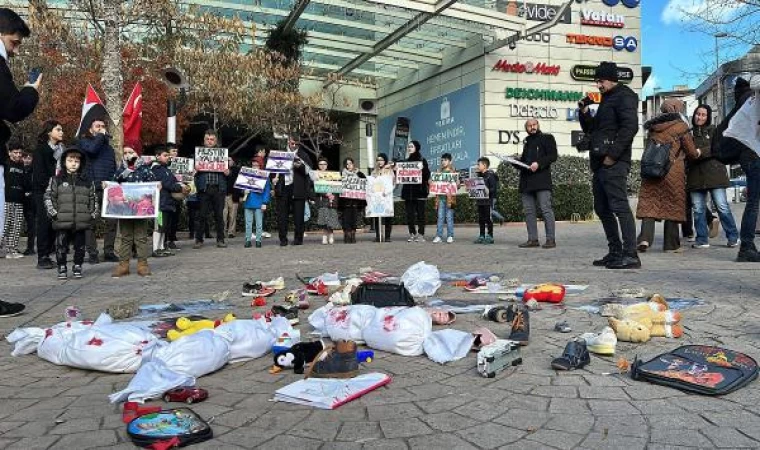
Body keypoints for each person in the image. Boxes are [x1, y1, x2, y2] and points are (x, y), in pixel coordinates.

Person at [579, 61, 641, 269]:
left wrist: (613, 156)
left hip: (614, 163)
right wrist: (585, 113)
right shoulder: (607, 99)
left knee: (619, 206)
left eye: (601, 81)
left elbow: (630, 127)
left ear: (612, 79)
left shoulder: (624, 96)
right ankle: (615, 252)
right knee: (602, 208)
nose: (598, 85)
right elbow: (594, 131)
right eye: (597, 81)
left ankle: (630, 254)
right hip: (600, 163)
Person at [636, 99, 701, 253]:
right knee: (672, 205)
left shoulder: (653, 127)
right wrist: (698, 152)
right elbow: (691, 152)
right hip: (673, 171)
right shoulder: (681, 127)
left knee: (649, 203)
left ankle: (644, 238)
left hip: (652, 170)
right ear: (678, 109)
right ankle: (671, 245)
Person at [717, 76, 759, 262]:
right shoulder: (751, 97)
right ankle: (746, 246)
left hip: (749, 155)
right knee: (753, 202)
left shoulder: (745, 100)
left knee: (753, 202)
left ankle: (747, 246)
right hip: (753, 155)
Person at [687, 104, 738, 249]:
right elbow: (686, 152)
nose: (700, 117)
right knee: (698, 209)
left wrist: (699, 152)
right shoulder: (689, 133)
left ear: (708, 117)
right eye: (698, 114)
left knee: (722, 207)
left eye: (703, 115)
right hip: (695, 176)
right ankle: (702, 239)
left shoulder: (715, 131)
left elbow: (717, 148)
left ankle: (733, 237)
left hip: (715, 174)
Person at [44, 146, 98, 280]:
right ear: (64, 162)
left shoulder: (87, 181)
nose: (73, 163)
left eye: (76, 161)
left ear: (81, 163)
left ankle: (78, 266)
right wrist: (53, 213)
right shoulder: (56, 179)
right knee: (61, 246)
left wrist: (92, 213)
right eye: (70, 160)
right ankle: (62, 267)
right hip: (62, 219)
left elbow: (93, 198)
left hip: (81, 220)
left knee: (80, 247)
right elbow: (49, 197)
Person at [111, 144, 156, 278]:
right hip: (125, 209)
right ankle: (123, 264)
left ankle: (143, 264)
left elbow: (153, 183)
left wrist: (157, 186)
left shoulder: (145, 170)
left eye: (131, 152)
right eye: (125, 153)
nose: (128, 155)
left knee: (141, 237)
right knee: (125, 237)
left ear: (137, 154)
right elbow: (114, 183)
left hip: (141, 210)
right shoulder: (120, 170)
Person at [78, 117, 118, 263]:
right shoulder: (84, 142)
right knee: (91, 222)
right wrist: (101, 135)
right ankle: (92, 253)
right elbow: (92, 150)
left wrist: (114, 183)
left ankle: (109, 251)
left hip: (109, 189)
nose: (101, 128)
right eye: (97, 126)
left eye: (102, 126)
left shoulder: (109, 149)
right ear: (90, 129)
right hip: (92, 188)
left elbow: (113, 168)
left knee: (112, 222)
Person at [517, 119, 558, 249]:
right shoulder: (527, 142)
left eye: (534, 125)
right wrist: (514, 162)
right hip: (526, 182)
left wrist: (539, 163)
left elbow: (553, 156)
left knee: (546, 209)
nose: (532, 127)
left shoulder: (547, 138)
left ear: (538, 125)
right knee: (529, 211)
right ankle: (532, 239)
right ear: (526, 128)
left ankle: (551, 239)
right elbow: (524, 162)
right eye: (529, 126)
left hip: (542, 180)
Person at [32, 120, 61, 269]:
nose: (61, 132)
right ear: (49, 132)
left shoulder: (61, 150)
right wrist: (50, 186)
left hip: (56, 192)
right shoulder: (41, 150)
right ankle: (42, 256)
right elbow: (39, 174)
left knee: (52, 224)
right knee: (43, 223)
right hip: (43, 191)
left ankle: (48, 253)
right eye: (58, 129)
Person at [193, 130, 230, 248]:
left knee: (219, 215)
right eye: (207, 139)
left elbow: (230, 172)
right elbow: (189, 173)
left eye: (212, 139)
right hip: (204, 189)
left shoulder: (222, 154)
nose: (209, 141)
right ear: (204, 140)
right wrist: (194, 169)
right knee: (201, 215)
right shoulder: (198, 155)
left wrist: (228, 171)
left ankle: (221, 240)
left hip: (219, 189)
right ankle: (199, 240)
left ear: (216, 141)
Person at [274, 137, 314, 246]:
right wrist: (274, 179)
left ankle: (298, 239)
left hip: (298, 188)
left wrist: (300, 166)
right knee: (282, 216)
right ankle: (283, 239)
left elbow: (310, 172)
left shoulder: (303, 155)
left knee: (299, 216)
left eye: (296, 142)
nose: (293, 144)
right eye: (291, 142)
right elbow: (272, 169)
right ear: (288, 142)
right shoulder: (280, 154)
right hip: (283, 188)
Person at [153, 145, 189, 257]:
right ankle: (156, 249)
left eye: (168, 155)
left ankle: (162, 247)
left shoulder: (165, 169)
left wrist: (184, 185)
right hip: (160, 203)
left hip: (167, 203)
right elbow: (167, 184)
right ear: (157, 156)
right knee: (159, 226)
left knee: (164, 227)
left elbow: (173, 182)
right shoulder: (156, 169)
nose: (168, 157)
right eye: (165, 155)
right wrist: (180, 188)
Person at [400, 140, 431, 242]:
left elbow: (427, 176)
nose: (409, 148)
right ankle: (412, 233)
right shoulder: (405, 162)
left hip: (420, 192)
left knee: (421, 214)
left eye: (411, 146)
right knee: (410, 215)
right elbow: (400, 176)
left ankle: (421, 234)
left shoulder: (422, 160)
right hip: (408, 193)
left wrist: (423, 169)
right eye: (408, 147)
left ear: (416, 148)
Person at [1, 142, 28, 258]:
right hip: (7, 199)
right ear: (9, 153)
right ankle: (3, 248)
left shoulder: (22, 166)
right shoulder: (5, 164)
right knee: (5, 225)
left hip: (19, 199)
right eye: (15, 152)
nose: (18, 155)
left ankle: (12, 250)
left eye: (20, 153)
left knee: (16, 226)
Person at [242, 157, 271, 248]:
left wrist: (264, 203)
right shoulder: (246, 175)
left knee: (259, 223)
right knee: (248, 223)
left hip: (259, 203)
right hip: (248, 202)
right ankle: (248, 240)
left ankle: (258, 240)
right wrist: (243, 191)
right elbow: (241, 186)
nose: (254, 167)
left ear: (260, 166)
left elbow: (267, 191)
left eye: (257, 165)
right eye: (253, 165)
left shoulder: (264, 176)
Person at [314, 157, 341, 245]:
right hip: (322, 199)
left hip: (332, 199)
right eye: (320, 164)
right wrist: (325, 193)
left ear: (327, 165)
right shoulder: (316, 175)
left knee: (331, 218)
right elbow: (315, 188)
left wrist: (333, 195)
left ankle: (331, 235)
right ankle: (324, 236)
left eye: (324, 164)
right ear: (318, 165)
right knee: (324, 219)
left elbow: (337, 186)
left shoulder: (332, 174)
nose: (322, 166)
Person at [338, 157, 365, 244]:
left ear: (353, 164)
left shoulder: (358, 173)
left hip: (355, 201)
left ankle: (353, 235)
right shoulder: (341, 174)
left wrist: (358, 173)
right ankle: (347, 235)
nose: (348, 165)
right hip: (345, 201)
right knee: (345, 219)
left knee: (354, 219)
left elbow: (365, 181)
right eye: (346, 164)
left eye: (350, 163)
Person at [432, 153, 456, 244]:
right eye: (442, 160)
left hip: (450, 199)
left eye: (445, 160)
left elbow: (457, 185)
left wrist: (456, 182)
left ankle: (450, 236)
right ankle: (439, 236)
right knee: (440, 217)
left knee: (449, 217)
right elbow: (434, 184)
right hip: (440, 198)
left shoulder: (453, 172)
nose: (443, 162)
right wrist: (431, 182)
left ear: (450, 161)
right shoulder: (438, 172)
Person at [372, 153, 395, 242]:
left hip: (387, 196)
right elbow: (372, 183)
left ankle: (387, 236)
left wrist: (386, 192)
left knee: (388, 216)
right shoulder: (374, 171)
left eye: (381, 160)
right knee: (378, 216)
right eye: (378, 160)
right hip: (377, 197)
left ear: (385, 160)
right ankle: (378, 236)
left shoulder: (389, 171)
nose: (379, 162)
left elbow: (393, 184)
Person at [474, 157, 497, 244]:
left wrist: (488, 190)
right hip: (480, 201)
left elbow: (493, 189)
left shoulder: (490, 175)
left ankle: (490, 236)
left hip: (488, 201)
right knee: (481, 219)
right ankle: (482, 235)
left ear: (484, 165)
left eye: (479, 164)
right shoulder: (479, 175)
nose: (477, 166)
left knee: (488, 218)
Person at [165, 142, 183, 250]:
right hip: (167, 196)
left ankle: (171, 239)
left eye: (176, 151)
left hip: (177, 196)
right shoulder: (163, 165)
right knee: (167, 220)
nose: (175, 153)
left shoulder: (181, 164)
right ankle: (165, 240)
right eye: (173, 151)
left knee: (175, 219)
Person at [223, 156, 242, 238]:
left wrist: (239, 195)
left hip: (233, 195)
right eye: (226, 160)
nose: (227, 161)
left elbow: (239, 182)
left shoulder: (237, 170)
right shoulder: (222, 170)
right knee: (223, 215)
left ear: (233, 161)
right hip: (223, 195)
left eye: (229, 160)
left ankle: (231, 232)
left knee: (233, 215)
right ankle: (222, 231)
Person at [21, 149, 34, 255]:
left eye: (29, 158)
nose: (27, 160)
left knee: (31, 224)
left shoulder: (33, 171)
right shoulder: (19, 169)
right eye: (25, 158)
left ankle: (30, 247)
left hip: (30, 200)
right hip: (20, 198)